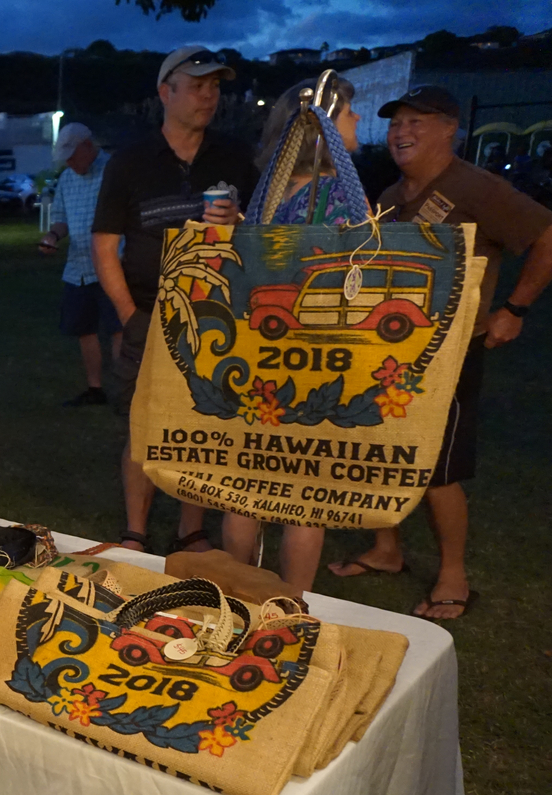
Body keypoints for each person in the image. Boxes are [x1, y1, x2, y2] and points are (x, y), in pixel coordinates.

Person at [325, 85, 552, 619]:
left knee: (439, 467)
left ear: (449, 129)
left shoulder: (476, 187)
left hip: (451, 351)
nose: (402, 132)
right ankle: (386, 549)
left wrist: (515, 309)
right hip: (389, 349)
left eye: (417, 122)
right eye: (396, 123)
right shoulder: (391, 196)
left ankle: (453, 576)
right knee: (379, 449)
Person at [91, 45, 257, 554]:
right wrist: (128, 314)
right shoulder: (130, 162)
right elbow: (104, 245)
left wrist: (238, 222)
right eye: (198, 86)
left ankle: (192, 530)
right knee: (142, 424)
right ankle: (135, 532)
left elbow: (263, 235)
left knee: (201, 425)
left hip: (216, 317)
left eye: (215, 87)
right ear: (166, 92)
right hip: (148, 314)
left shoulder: (234, 157)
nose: (209, 96)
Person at [219, 77, 361, 592]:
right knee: (305, 498)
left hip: (259, 356)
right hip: (316, 356)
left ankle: (236, 594)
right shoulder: (337, 197)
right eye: (348, 112)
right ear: (323, 129)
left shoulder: (270, 195)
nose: (357, 120)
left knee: (245, 487)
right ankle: (292, 603)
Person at [38, 122, 120, 407]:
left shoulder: (114, 172)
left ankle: (127, 389)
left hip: (113, 264)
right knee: (84, 328)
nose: (70, 163)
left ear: (88, 146)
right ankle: (94, 388)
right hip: (78, 267)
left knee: (119, 327)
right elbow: (61, 217)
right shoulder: (67, 179)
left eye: (73, 157)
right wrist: (53, 236)